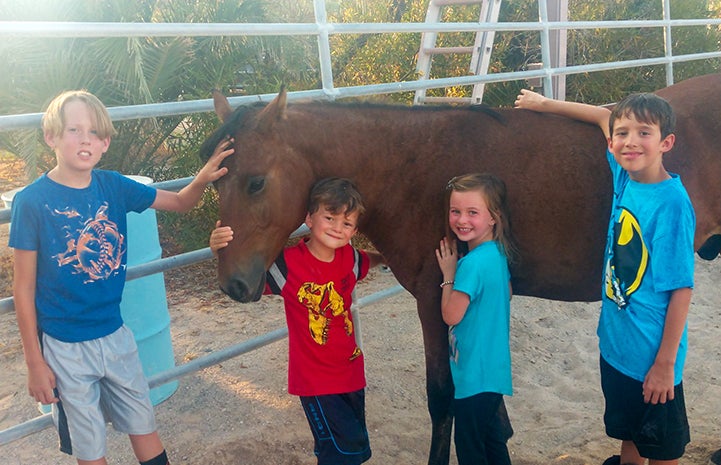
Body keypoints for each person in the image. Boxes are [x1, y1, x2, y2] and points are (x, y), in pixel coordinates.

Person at [9, 89, 234, 465]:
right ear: (51, 137)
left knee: (143, 425)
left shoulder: (113, 185)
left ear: (106, 143)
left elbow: (179, 202)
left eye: (95, 133)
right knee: (90, 447)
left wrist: (204, 176)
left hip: (117, 336)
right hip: (64, 348)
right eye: (73, 130)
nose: (85, 139)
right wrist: (35, 362)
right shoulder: (31, 201)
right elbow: (23, 288)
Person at [515, 89, 695, 465]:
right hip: (616, 346)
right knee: (629, 436)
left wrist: (664, 365)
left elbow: (681, 290)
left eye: (644, 133)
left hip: (651, 356)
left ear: (667, 142)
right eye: (623, 133)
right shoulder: (626, 177)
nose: (631, 141)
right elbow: (601, 115)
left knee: (662, 451)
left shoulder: (672, 204)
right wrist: (544, 105)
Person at [210, 177, 385, 465]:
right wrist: (220, 250)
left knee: (352, 450)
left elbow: (372, 260)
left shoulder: (351, 259)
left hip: (353, 373)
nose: (337, 228)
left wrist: (392, 259)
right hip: (317, 382)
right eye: (329, 217)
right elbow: (244, 285)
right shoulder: (287, 265)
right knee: (341, 455)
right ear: (309, 218)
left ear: (355, 229)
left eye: (347, 223)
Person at [435, 172, 517, 465]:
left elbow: (450, 315)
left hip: (473, 377)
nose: (461, 220)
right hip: (493, 373)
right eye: (455, 211)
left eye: (473, 212)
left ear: (493, 217)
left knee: (470, 448)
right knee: (492, 442)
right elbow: (505, 293)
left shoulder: (469, 266)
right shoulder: (497, 254)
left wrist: (448, 275)